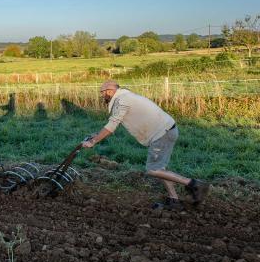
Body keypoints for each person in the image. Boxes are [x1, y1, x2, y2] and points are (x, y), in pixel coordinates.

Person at [82, 80, 210, 210]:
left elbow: (112, 125)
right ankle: (174, 200)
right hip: (165, 131)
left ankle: (194, 184)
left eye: (102, 93)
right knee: (160, 169)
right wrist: (97, 135)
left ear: (109, 91)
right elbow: (114, 123)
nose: (102, 95)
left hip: (162, 134)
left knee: (153, 170)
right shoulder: (125, 97)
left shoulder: (122, 101)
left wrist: (93, 141)